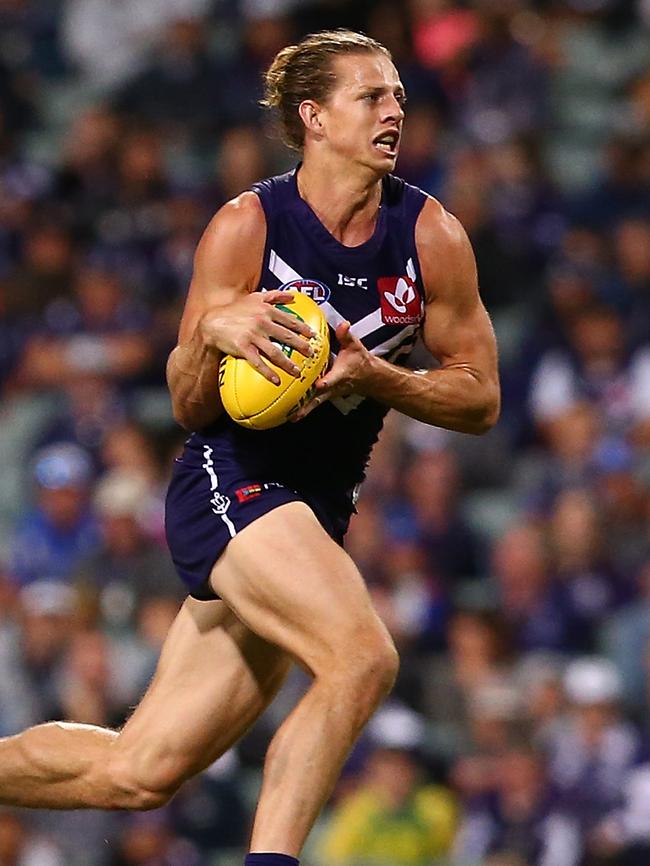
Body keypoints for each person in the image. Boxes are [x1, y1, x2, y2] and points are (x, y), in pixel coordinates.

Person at [0, 29, 499, 866]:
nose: (394, 111)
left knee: (142, 770)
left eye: (399, 97)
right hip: (230, 481)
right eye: (371, 96)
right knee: (362, 657)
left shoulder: (431, 236)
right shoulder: (247, 226)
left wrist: (379, 378)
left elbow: (480, 396)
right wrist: (207, 337)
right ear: (314, 116)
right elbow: (189, 403)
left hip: (310, 517)